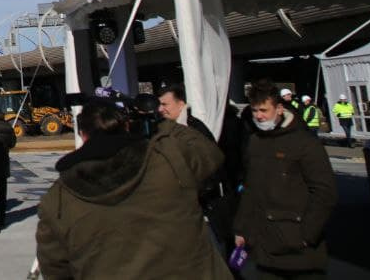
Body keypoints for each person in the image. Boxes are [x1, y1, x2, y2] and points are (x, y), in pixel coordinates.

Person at [36, 100, 228, 279]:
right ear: (127, 126)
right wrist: (159, 122)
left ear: (82, 134)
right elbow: (209, 153)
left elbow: (54, 267)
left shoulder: (58, 199)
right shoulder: (168, 158)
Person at [234, 80, 337, 279]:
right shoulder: (255, 142)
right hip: (264, 245)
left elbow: (325, 192)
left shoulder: (304, 142)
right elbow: (250, 189)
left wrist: (308, 234)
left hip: (299, 246)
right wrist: (242, 228)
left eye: (263, 110)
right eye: (254, 111)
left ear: (279, 108)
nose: (259, 116)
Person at [157, 84, 234, 259]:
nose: (160, 109)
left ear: (181, 103)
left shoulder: (195, 130)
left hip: (207, 211)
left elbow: (212, 167)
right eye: (160, 104)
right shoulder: (166, 129)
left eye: (165, 104)